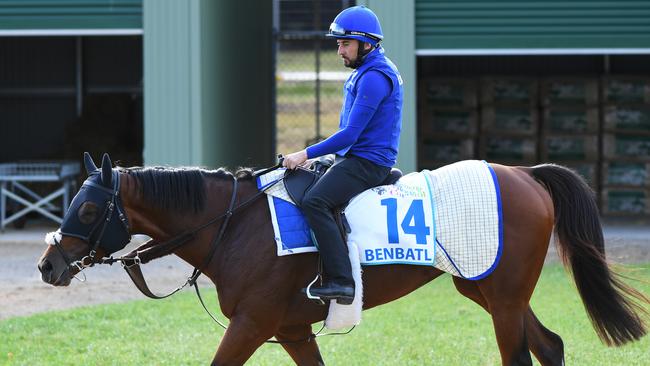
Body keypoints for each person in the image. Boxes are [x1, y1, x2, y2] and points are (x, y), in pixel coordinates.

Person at [283, 6, 404, 305]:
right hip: (357, 158)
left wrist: (305, 153)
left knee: (316, 201)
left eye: (345, 43)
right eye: (338, 43)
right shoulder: (367, 71)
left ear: (367, 43)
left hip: (367, 163)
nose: (339, 50)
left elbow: (350, 134)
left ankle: (341, 281)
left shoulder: (375, 77)